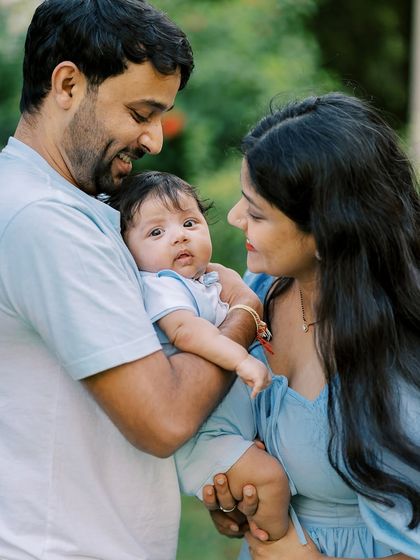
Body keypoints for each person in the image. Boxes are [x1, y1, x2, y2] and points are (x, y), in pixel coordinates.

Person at [0, 1, 263, 559]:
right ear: (67, 84)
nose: (155, 140)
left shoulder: (78, 208)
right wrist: (242, 316)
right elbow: (163, 418)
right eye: (142, 113)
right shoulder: (43, 221)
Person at [175, 92, 420, 559]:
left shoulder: (402, 346)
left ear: (329, 233)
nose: (232, 218)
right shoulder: (262, 288)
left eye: (257, 212)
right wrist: (237, 486)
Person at [108, 170, 290, 540]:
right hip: (204, 437)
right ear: (127, 250)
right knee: (270, 481)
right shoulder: (161, 288)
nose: (179, 236)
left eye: (189, 222)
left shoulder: (206, 280)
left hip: (227, 426)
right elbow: (187, 332)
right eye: (156, 232)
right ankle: (278, 545)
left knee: (268, 478)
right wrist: (239, 358)